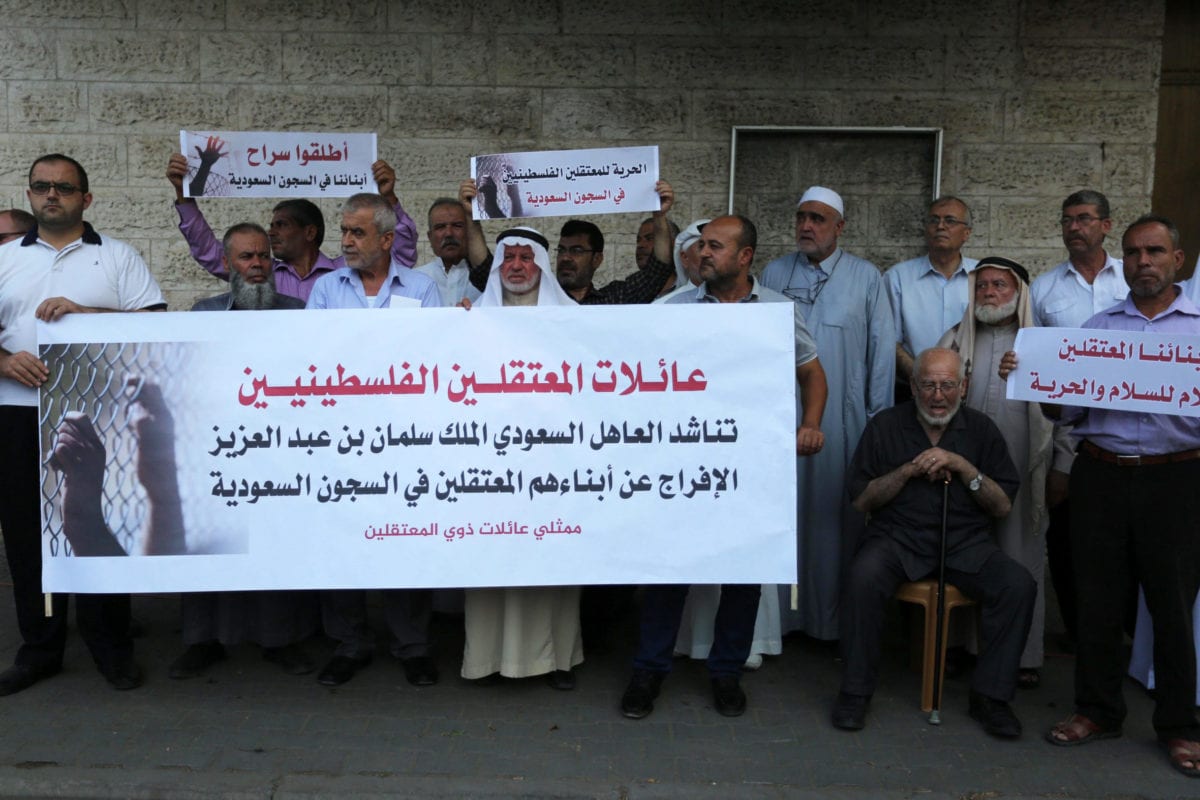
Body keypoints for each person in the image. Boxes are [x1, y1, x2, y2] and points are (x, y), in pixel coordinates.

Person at [620, 215, 828, 720]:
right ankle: (648, 671)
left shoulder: (778, 310)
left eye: (716, 246)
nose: (703, 253)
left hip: (752, 467)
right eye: (702, 245)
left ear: (744, 256)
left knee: (744, 573)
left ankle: (726, 673)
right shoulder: (672, 309)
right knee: (672, 569)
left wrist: (811, 424)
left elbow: (812, 372)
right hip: (685, 462)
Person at [1036, 215, 1200, 778]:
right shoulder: (1098, 329)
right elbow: (1067, 411)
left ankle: (1180, 725)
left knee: (1173, 605)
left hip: (1177, 479)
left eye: (1154, 251)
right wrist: (1038, 382)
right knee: (1097, 600)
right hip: (1101, 476)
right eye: (1133, 253)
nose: (1143, 262)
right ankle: (1097, 710)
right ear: (1121, 260)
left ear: (1178, 259)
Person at [0, 153, 168, 695]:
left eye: (65, 188)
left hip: (95, 415)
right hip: (17, 415)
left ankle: (111, 647)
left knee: (95, 528)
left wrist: (87, 314)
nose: (52, 195)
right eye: (42, 187)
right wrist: (4, 362)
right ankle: (41, 648)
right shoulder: (4, 261)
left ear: (86, 199)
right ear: (29, 195)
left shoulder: (116, 257)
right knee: (27, 534)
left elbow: (154, 327)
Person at [833, 348, 1032, 737]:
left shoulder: (981, 430)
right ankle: (855, 692)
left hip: (965, 542)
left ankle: (991, 698)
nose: (937, 396)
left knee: (1017, 585)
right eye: (928, 385)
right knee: (862, 577)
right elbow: (861, 500)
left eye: (947, 386)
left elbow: (1002, 505)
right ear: (913, 386)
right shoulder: (886, 426)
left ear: (964, 387)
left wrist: (963, 466)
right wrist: (907, 471)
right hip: (897, 538)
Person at [305, 193, 441, 687]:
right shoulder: (325, 290)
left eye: (357, 233)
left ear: (387, 239)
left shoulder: (423, 290)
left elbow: (430, 359)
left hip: (405, 440)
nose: (345, 241)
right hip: (341, 439)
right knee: (342, 539)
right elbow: (318, 360)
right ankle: (349, 643)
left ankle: (413, 646)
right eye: (344, 231)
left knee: (407, 540)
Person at [171, 224, 317, 678]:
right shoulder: (204, 313)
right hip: (217, 448)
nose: (257, 266)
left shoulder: (298, 312)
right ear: (227, 265)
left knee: (275, 544)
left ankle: (279, 640)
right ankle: (202, 641)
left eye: (263, 258)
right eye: (246, 258)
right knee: (207, 545)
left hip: (280, 449)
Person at [759, 185, 895, 640]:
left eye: (817, 219)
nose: (806, 226)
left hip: (843, 421)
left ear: (840, 226)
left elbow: (881, 356)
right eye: (801, 217)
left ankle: (830, 626)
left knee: (835, 521)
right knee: (781, 518)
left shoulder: (867, 278)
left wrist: (878, 426)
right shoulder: (774, 274)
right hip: (780, 421)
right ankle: (780, 624)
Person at [461, 226, 581, 688]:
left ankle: (556, 661)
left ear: (541, 266)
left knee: (551, 560)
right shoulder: (472, 319)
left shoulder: (573, 320)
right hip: (487, 466)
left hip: (552, 466)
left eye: (524, 258)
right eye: (507, 257)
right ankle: (487, 661)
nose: (514, 265)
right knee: (492, 559)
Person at [938, 257, 1058, 689]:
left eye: (999, 285)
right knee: (964, 551)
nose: (989, 293)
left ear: (1019, 292)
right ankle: (957, 646)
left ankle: (1022, 655)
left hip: (1022, 471)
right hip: (963, 467)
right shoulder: (955, 338)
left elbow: (1060, 414)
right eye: (982, 285)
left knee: (1017, 553)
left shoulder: (1041, 344)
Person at [1029, 190, 1128, 648]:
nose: (1074, 227)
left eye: (1085, 219)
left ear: (1106, 225)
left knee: (1133, 546)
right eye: (1067, 219)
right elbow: (1042, 374)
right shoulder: (1044, 290)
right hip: (1071, 439)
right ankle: (1078, 633)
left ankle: (1131, 639)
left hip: (1137, 434)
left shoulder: (1134, 281)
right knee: (1070, 540)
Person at [166, 140, 418, 302]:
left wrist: (388, 196)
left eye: (282, 225)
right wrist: (183, 195)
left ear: (309, 233)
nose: (271, 232)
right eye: (272, 225)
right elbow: (211, 253)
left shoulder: (345, 271)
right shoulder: (263, 272)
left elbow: (402, 253)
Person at [459, 180, 678, 305]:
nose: (566, 257)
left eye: (577, 251)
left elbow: (656, 272)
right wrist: (471, 215)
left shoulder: (615, 298)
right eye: (562, 250)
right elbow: (484, 269)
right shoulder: (535, 292)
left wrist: (659, 216)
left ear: (597, 258)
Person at [886, 197, 978, 388]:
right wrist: (923, 379)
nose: (940, 226)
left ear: (966, 233)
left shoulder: (982, 278)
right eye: (934, 220)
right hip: (912, 389)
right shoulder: (898, 278)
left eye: (950, 221)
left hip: (972, 390)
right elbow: (889, 340)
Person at [413, 197, 481, 306]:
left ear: (469, 232)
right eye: (440, 227)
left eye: (457, 226)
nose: (449, 233)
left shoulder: (487, 281)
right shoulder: (415, 280)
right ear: (430, 237)